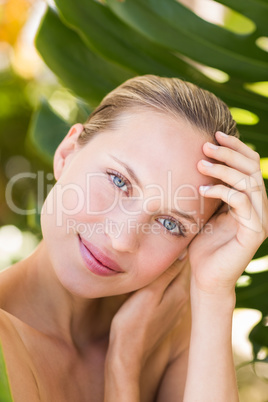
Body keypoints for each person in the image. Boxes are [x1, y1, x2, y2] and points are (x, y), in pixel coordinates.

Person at [0, 75, 267, 402]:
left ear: (189, 246)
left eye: (170, 224)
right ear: (67, 153)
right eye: (117, 180)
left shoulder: (166, 330)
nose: (122, 239)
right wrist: (123, 373)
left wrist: (213, 295)